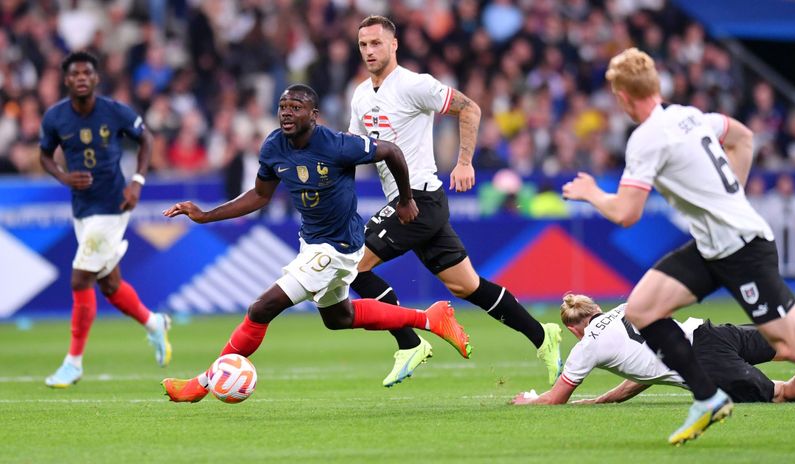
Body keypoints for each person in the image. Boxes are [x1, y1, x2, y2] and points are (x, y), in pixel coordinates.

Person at [561, 48, 795, 445]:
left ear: (623, 96)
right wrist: (732, 192)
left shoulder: (646, 139)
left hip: (743, 247)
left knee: (792, 344)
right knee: (642, 309)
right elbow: (743, 137)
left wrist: (592, 193)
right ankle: (708, 399)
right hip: (711, 246)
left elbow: (627, 213)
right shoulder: (689, 115)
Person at [160, 85, 472, 402]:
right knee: (340, 318)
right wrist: (206, 215)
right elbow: (260, 195)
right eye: (283, 106)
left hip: (338, 247)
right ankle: (430, 319)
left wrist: (406, 200)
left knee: (261, 307)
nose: (286, 112)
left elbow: (391, 151)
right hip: (312, 243)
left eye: (296, 106)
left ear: (314, 114)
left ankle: (201, 384)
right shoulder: (273, 146)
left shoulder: (336, 145)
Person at [348, 15, 562, 388]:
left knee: (352, 266)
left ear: (394, 45)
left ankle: (410, 342)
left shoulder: (415, 85)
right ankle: (543, 336)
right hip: (412, 203)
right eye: (364, 45)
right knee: (467, 286)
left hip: (417, 198)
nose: (369, 51)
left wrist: (464, 162)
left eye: (376, 43)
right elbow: (354, 149)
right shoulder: (361, 95)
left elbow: (470, 108)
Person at [39, 51, 171, 388]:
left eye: (87, 72)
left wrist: (137, 182)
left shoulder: (114, 111)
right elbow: (44, 154)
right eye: (75, 73)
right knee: (109, 285)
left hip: (113, 208)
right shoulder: (55, 118)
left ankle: (74, 363)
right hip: (82, 210)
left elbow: (146, 139)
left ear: (96, 78)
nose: (81, 77)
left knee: (80, 279)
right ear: (66, 80)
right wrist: (63, 177)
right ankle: (154, 323)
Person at [511, 294, 795, 406]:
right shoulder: (626, 306)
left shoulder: (587, 346)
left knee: (782, 393)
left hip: (704, 362)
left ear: (571, 329)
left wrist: (529, 400)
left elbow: (555, 399)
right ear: (596, 308)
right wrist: (605, 399)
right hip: (707, 332)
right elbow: (645, 368)